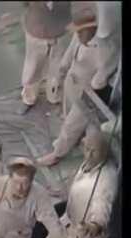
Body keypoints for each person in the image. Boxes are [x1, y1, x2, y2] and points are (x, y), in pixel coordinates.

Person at [26, 129, 118, 238]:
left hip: (85, 237)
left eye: (94, 151)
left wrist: (91, 227)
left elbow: (102, 209)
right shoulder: (89, 164)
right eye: (86, 148)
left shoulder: (106, 181)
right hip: (67, 222)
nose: (88, 154)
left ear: (104, 151)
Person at [37, 10, 116, 166]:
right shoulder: (78, 37)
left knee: (73, 124)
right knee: (68, 114)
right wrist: (59, 76)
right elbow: (69, 55)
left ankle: (57, 154)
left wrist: (90, 88)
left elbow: (100, 79)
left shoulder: (105, 49)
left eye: (82, 31)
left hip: (89, 92)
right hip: (72, 81)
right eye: (78, 31)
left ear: (92, 29)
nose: (79, 34)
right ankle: (72, 142)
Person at [19, 1, 72, 115]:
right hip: (36, 31)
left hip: (60, 32)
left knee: (58, 69)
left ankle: (55, 98)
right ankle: (28, 98)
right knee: (32, 68)